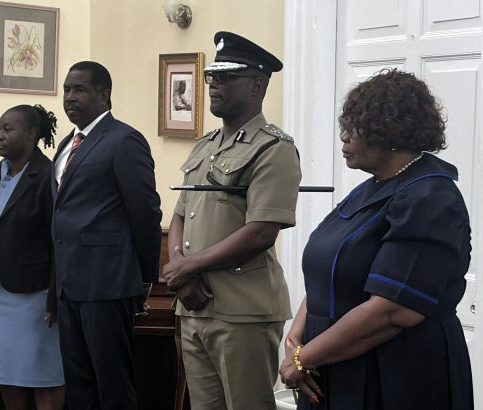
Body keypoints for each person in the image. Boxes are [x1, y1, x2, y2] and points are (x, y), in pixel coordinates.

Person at [279, 69, 473, 410]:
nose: (343, 136)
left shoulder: (429, 198)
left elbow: (392, 311)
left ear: (390, 131)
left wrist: (303, 358)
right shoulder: (372, 188)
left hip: (394, 372)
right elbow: (330, 271)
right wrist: (297, 339)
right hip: (329, 362)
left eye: (355, 127)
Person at [163, 32, 302, 410]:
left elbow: (261, 232)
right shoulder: (205, 146)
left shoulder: (273, 148)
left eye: (226, 78)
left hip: (243, 310)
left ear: (256, 85)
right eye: (212, 77)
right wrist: (181, 272)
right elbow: (180, 214)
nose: (214, 85)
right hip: (195, 305)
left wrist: (189, 266)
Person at [52, 61, 162, 409]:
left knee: (113, 384)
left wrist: (145, 277)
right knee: (78, 385)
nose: (70, 97)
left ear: (104, 95)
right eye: (66, 89)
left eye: (79, 89)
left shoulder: (123, 140)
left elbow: (145, 212)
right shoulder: (67, 144)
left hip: (107, 282)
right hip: (68, 285)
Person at [0, 104, 65, 410]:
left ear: (32, 134)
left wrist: (54, 297)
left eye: (8, 129)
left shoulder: (48, 176)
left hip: (35, 294)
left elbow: (58, 242)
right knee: (6, 371)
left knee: (43, 372)